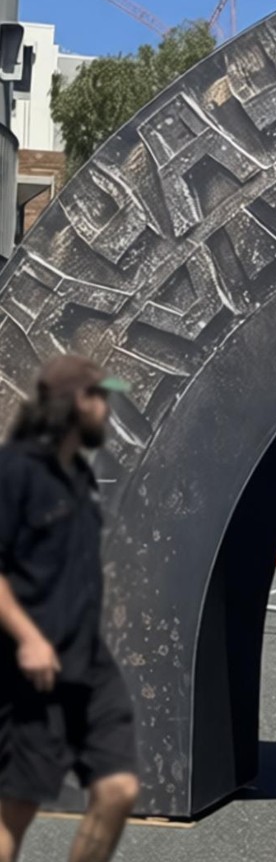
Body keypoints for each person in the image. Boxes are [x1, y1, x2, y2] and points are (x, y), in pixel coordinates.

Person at [0, 356, 141, 862]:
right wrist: (28, 639)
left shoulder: (79, 473)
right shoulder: (14, 471)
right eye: (101, 398)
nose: (108, 409)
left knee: (118, 788)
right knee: (13, 812)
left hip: (88, 663)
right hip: (32, 669)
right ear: (75, 402)